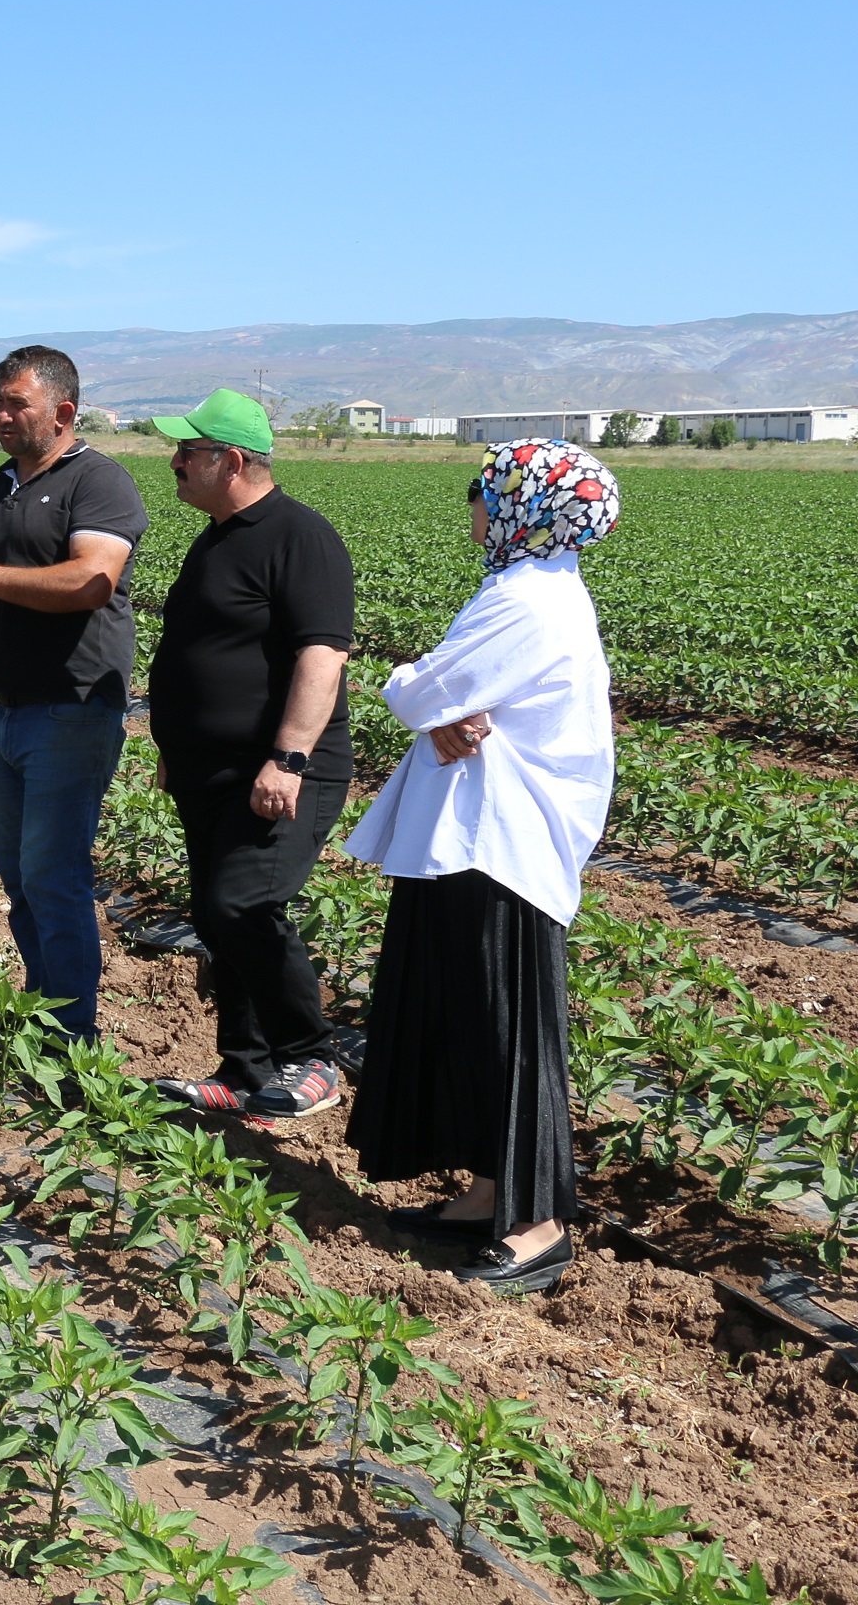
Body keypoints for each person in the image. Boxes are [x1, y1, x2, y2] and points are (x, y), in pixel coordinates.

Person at [343, 439, 623, 1296]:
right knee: (472, 1018)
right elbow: (448, 705)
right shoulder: (527, 592)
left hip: (500, 844)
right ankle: (488, 1195)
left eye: (483, 489)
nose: (472, 502)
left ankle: (538, 1227)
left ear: (522, 508)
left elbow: (421, 694)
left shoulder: (529, 602)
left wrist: (416, 691)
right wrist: (441, 707)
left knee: (508, 1029)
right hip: (475, 839)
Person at [144, 388, 357, 1120]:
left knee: (243, 902)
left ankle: (312, 1058)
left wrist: (289, 758)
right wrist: (176, 746)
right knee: (213, 913)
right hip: (208, 771)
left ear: (229, 460)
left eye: (186, 451)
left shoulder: (300, 536)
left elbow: (321, 655)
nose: (173, 462)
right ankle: (243, 1072)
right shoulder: (218, 536)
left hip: (280, 769)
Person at [0, 346, 149, 1043]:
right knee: (19, 870)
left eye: (16, 404)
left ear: (63, 412)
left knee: (54, 874)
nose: (0, 415)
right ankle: (42, 1003)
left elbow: (91, 582)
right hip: (0, 705)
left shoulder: (99, 484)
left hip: (69, 706)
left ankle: (72, 1036)